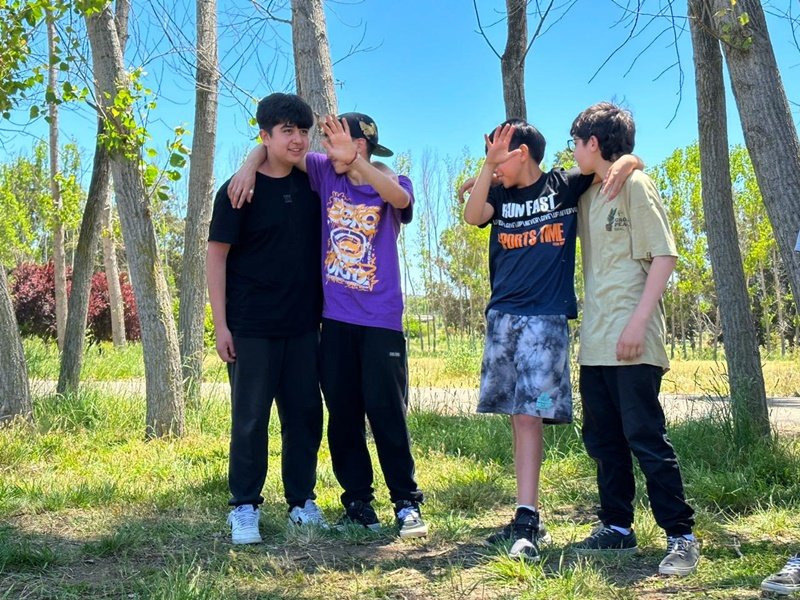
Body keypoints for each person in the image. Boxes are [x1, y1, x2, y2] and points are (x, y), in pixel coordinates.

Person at [228, 112, 427, 539]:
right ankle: (357, 501)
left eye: (336, 140)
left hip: (381, 321)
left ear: (361, 146)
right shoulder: (324, 173)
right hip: (334, 321)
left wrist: (356, 163)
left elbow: (400, 200)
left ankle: (406, 502)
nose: (322, 148)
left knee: (387, 412)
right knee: (343, 415)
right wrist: (248, 164)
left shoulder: (391, 180)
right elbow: (277, 147)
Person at [461, 118, 640, 560]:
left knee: (530, 415)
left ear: (521, 153)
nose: (493, 166)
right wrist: (487, 170)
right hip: (503, 317)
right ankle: (527, 513)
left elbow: (611, 164)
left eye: (498, 156)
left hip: (545, 319)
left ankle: (528, 518)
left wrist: (630, 161)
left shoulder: (563, 186)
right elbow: (472, 215)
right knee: (517, 416)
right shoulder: (499, 194)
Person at [569, 101, 700, 576]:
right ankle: (617, 527)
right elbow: (543, 183)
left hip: (633, 338)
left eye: (575, 142)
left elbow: (664, 257)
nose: (572, 151)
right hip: (595, 342)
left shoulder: (635, 185)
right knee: (603, 439)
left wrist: (637, 324)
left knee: (645, 437)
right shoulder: (587, 192)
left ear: (593, 143)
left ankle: (681, 535)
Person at [207, 92, 326, 545]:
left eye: (303, 131)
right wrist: (221, 325)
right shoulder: (238, 191)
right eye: (286, 131)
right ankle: (244, 507)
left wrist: (253, 157)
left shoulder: (312, 185)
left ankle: (301, 502)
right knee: (250, 419)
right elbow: (216, 258)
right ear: (265, 135)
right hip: (250, 325)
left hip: (303, 325)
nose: (297, 139)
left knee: (305, 416)